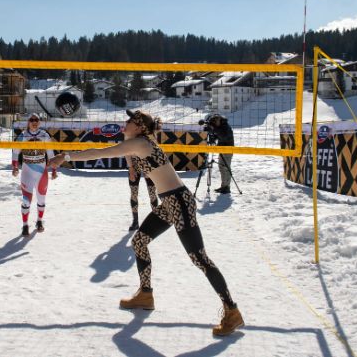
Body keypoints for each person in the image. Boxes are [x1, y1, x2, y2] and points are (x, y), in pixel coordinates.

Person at [49, 110, 243, 336]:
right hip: (170, 201)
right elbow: (127, 151)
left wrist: (65, 156)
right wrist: (128, 132)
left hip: (179, 201)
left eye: (130, 120)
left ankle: (232, 310)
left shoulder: (141, 143)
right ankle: (145, 294)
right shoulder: (140, 142)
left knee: (199, 258)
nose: (125, 122)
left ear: (140, 127)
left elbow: (101, 152)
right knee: (139, 241)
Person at [12, 113, 57, 237]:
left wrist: (54, 170)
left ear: (39, 122)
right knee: (26, 201)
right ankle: (25, 225)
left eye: (36, 120)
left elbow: (51, 153)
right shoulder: (23, 136)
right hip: (27, 172)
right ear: (28, 122)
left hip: (42, 173)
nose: (34, 122)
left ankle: (39, 221)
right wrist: (15, 167)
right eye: (31, 120)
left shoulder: (44, 135)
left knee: (41, 200)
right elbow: (15, 153)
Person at [125, 155, 158, 231]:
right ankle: (135, 222)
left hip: (147, 163)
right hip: (134, 164)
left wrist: (150, 164)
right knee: (134, 193)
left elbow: (154, 147)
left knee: (152, 192)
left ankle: (155, 221)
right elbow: (127, 151)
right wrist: (130, 168)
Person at [204, 114, 234, 194]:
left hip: (228, 150)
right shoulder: (220, 126)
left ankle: (226, 187)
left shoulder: (225, 127)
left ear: (218, 120)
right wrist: (212, 133)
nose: (215, 124)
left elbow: (224, 137)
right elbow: (218, 136)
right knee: (221, 167)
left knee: (226, 167)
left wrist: (214, 129)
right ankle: (223, 186)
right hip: (222, 149)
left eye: (215, 122)